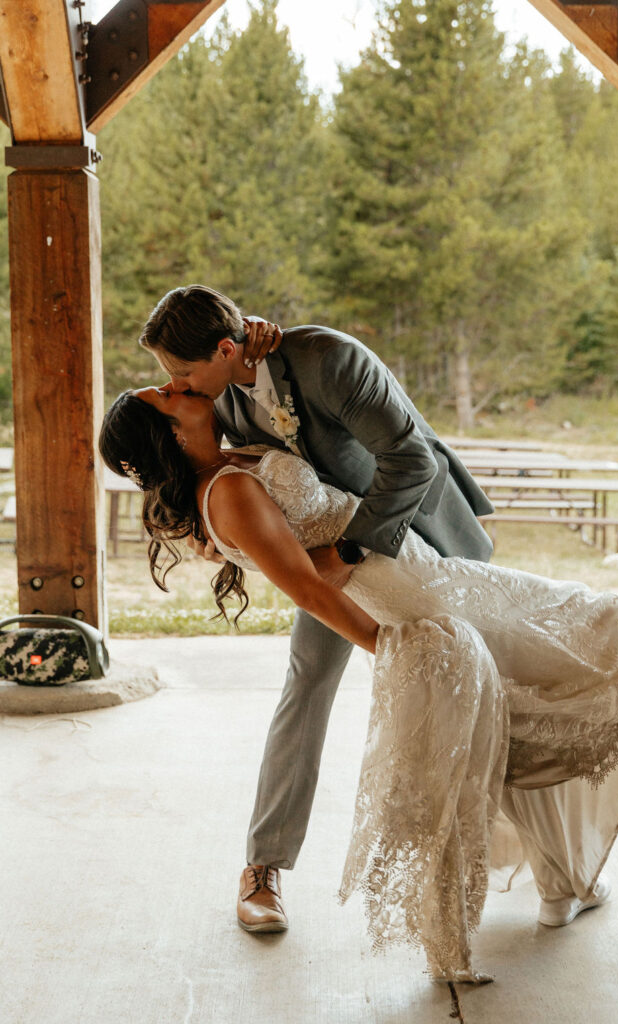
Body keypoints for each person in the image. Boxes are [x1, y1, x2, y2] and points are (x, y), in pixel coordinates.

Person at [100, 382, 618, 983]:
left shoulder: (228, 464)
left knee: (531, 701)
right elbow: (305, 587)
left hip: (434, 574)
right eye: (166, 395)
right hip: (419, 600)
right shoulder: (226, 493)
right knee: (601, 631)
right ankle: (568, 880)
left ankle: (565, 882)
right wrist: (388, 647)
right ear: (170, 431)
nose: (176, 385)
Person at [133, 285, 495, 937]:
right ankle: (263, 869)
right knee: (307, 680)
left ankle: (534, 845)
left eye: (184, 374)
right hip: (329, 560)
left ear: (223, 349)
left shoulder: (328, 359)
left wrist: (353, 548)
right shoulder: (223, 399)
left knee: (488, 682)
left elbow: (409, 459)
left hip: (410, 541)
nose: (181, 388)